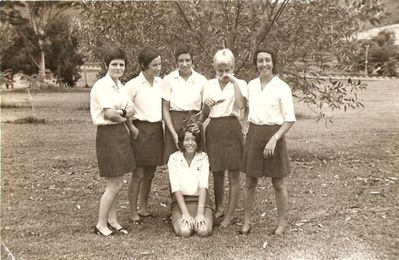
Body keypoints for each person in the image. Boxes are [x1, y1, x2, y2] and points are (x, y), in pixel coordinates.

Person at [240, 46, 296, 236]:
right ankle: (247, 222)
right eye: (260, 60)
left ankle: (281, 224)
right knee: (249, 182)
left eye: (267, 60)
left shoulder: (282, 87)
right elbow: (244, 106)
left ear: (273, 62)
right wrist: (245, 124)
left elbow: (289, 119)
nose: (264, 64)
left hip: (275, 135)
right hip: (254, 134)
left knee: (278, 183)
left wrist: (274, 139)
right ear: (256, 63)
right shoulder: (251, 85)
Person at [90, 47, 137, 236]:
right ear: (106, 65)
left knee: (118, 180)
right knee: (115, 183)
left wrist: (122, 113)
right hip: (107, 135)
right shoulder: (102, 86)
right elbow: (108, 114)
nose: (118, 68)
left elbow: (131, 109)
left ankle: (113, 220)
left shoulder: (120, 85)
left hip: (120, 132)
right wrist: (122, 113)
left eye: (121, 64)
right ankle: (101, 224)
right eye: (114, 64)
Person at [202, 48, 247, 228]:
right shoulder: (208, 84)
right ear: (214, 68)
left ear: (233, 68)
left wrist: (234, 81)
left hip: (232, 126)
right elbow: (204, 115)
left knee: (234, 174)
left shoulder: (240, 83)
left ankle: (230, 214)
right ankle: (219, 208)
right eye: (220, 70)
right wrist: (206, 104)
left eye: (227, 69)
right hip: (214, 127)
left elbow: (241, 105)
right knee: (217, 171)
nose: (223, 74)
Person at [124, 47, 164, 222]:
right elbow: (124, 109)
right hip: (140, 130)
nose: (158, 68)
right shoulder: (132, 85)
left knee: (150, 172)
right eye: (154, 65)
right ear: (143, 65)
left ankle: (143, 207)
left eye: (159, 64)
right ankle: (133, 212)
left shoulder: (161, 83)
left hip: (156, 131)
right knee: (138, 173)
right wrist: (132, 128)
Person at [161, 44, 207, 164]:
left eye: (187, 60)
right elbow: (165, 108)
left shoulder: (201, 80)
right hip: (174, 122)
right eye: (181, 61)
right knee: (174, 161)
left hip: (194, 122)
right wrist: (173, 133)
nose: (184, 64)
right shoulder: (169, 79)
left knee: (195, 160)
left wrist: (199, 123)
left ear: (192, 60)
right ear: (176, 61)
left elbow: (206, 107)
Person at [168, 127, 213, 237]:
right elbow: (176, 188)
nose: (190, 143)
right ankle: (177, 216)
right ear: (182, 141)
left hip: (201, 202)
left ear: (198, 141)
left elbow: (203, 186)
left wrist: (200, 213)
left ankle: (206, 217)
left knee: (203, 231)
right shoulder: (173, 158)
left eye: (193, 139)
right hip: (181, 203)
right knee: (185, 231)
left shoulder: (203, 157)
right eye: (186, 139)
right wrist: (185, 214)